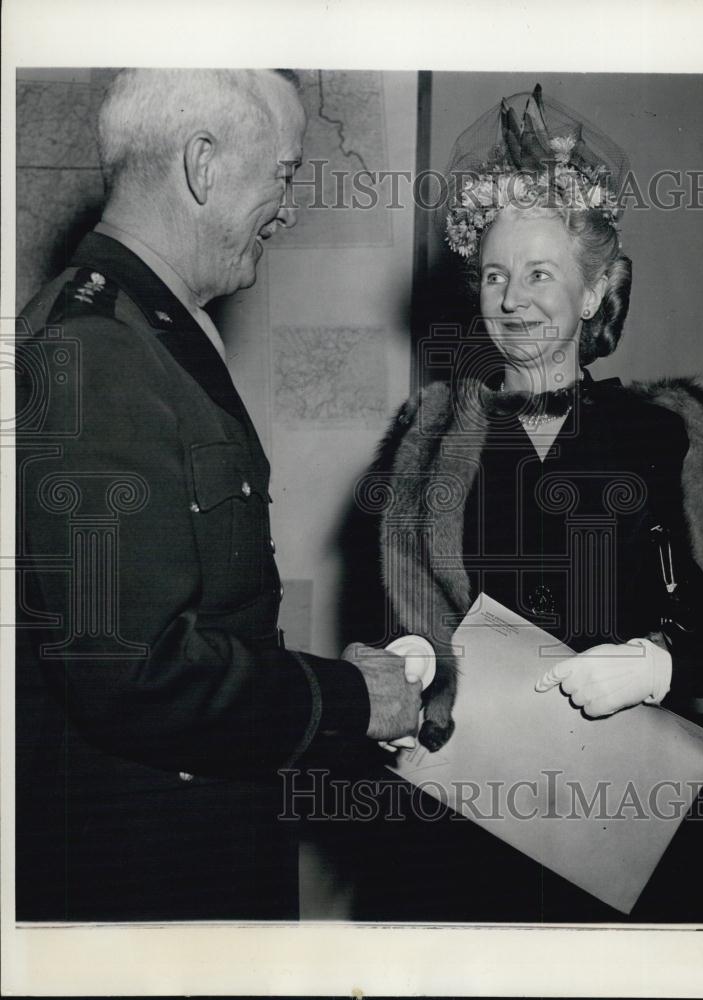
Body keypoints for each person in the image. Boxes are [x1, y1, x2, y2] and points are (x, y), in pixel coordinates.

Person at [15, 68, 421, 922]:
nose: (292, 205)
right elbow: (131, 671)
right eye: (283, 172)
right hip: (144, 875)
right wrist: (346, 701)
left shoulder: (143, 328)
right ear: (202, 166)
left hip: (189, 843)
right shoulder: (98, 349)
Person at [344, 85, 703, 922]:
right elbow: (407, 614)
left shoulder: (667, 434)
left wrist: (662, 662)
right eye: (494, 275)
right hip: (468, 829)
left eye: (538, 274)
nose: (512, 298)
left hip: (634, 832)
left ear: (594, 292)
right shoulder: (429, 442)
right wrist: (413, 665)